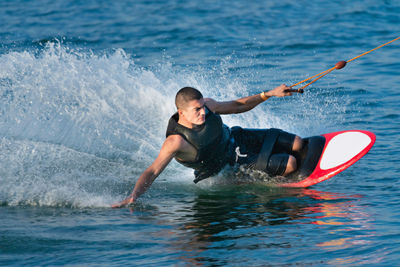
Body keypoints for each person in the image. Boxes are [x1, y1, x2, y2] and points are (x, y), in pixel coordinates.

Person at [112, 85, 303, 208]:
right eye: (197, 110)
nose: (203, 112)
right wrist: (134, 196)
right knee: (291, 164)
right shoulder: (176, 141)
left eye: (203, 106)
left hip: (238, 138)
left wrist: (268, 94)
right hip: (227, 166)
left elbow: (237, 106)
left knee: (298, 143)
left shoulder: (209, 106)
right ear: (181, 112)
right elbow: (152, 171)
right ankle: (240, 182)